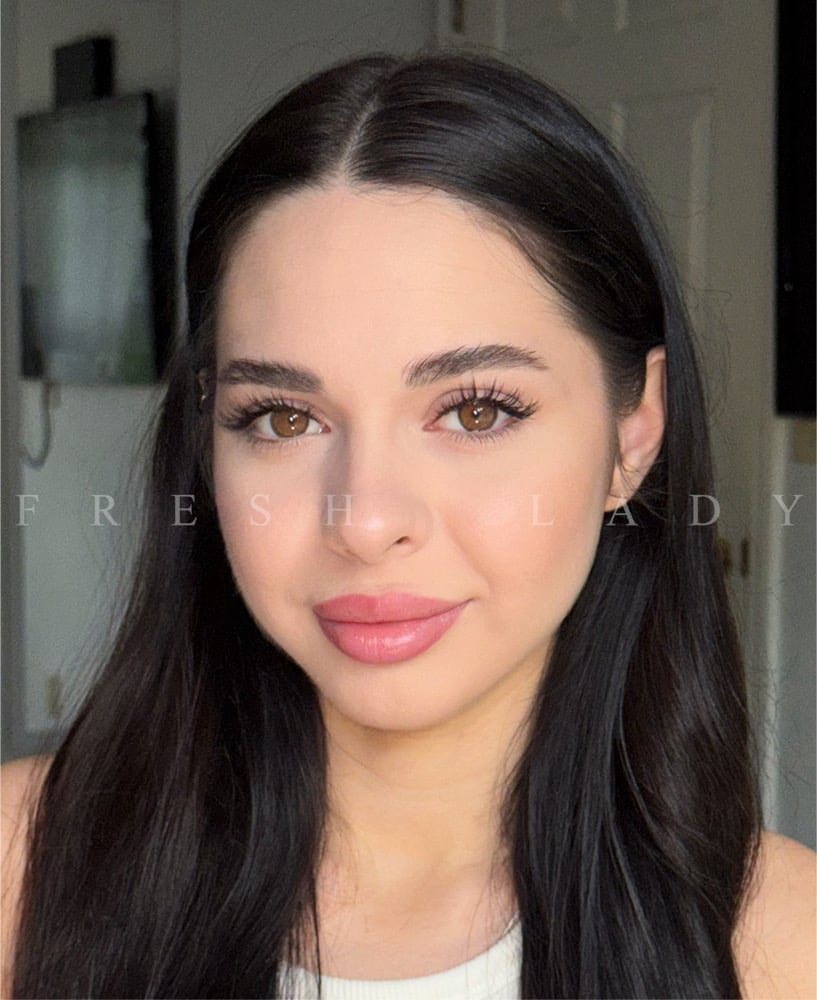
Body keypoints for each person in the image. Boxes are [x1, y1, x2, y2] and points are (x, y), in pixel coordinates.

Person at [2, 52, 814, 999]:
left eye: (475, 411)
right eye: (283, 418)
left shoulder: (783, 943)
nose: (365, 520)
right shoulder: (20, 873)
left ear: (634, 431)